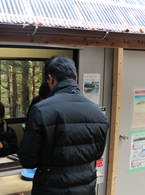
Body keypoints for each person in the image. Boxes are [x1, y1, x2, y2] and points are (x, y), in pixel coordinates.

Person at [18, 55, 109, 195]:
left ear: (51, 79)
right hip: (86, 188)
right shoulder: (98, 113)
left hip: (50, 188)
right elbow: (97, 154)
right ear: (76, 79)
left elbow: (27, 160)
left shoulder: (41, 110)